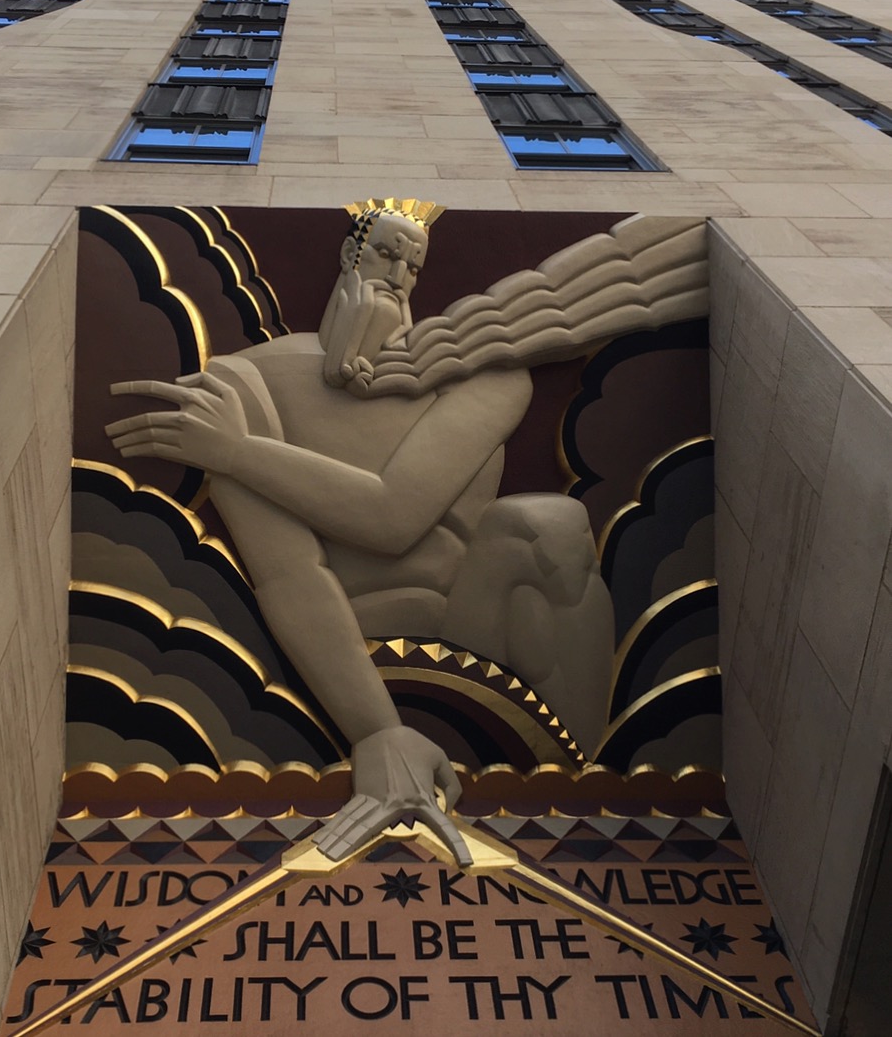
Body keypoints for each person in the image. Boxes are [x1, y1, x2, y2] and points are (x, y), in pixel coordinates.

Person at [106, 203, 617, 865]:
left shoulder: (483, 373)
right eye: (383, 254)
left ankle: (579, 804)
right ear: (349, 254)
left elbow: (392, 517)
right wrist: (377, 730)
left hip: (474, 619)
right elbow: (288, 570)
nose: (398, 275)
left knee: (549, 525)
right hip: (330, 639)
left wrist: (236, 453)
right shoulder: (246, 379)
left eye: (412, 263)